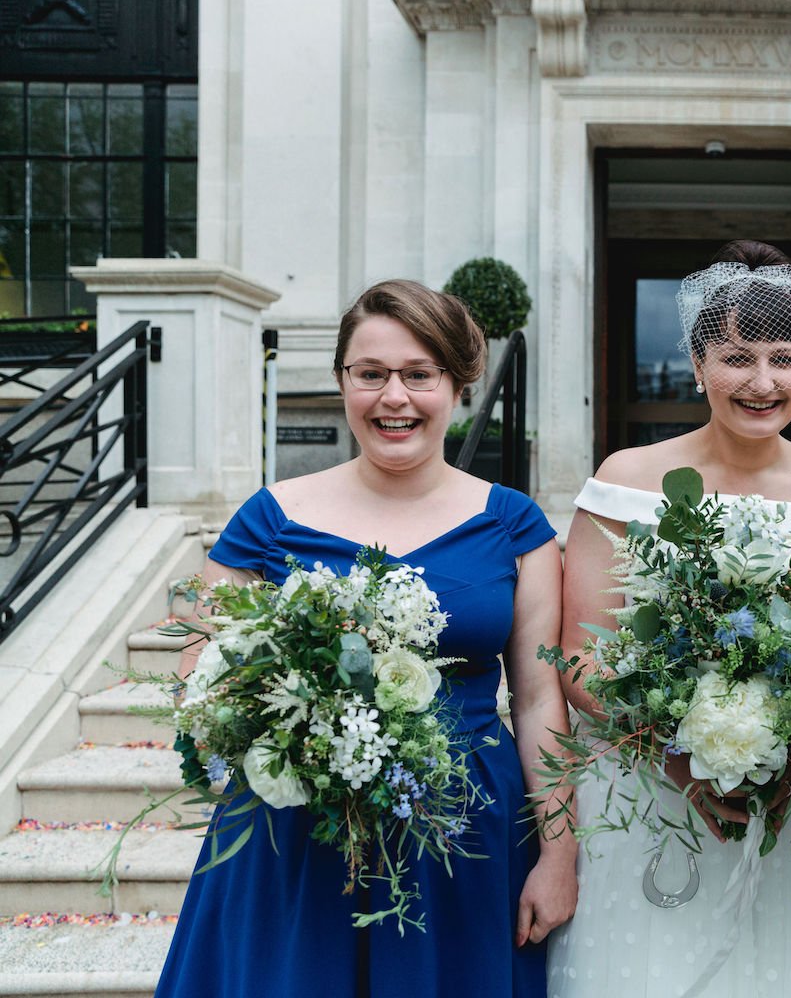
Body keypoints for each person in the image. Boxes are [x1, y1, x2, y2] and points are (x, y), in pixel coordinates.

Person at [155, 279, 577, 998]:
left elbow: (538, 699)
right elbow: (201, 668)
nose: (394, 397)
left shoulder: (514, 525)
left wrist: (559, 853)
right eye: (371, 374)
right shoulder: (269, 519)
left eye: (419, 375)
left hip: (464, 828)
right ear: (343, 381)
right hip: (298, 829)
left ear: (457, 384)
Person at [545, 242, 791, 998]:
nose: (761, 382)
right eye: (736, 357)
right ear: (697, 362)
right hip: (651, 795)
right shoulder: (625, 482)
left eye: (783, 358)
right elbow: (579, 656)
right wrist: (682, 764)